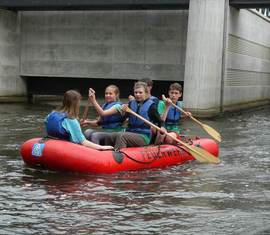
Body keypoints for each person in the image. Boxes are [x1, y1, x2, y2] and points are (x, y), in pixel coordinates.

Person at [45, 90, 113, 150]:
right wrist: (101, 147)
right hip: (64, 148)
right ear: (75, 104)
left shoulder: (52, 114)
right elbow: (83, 142)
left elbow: (49, 124)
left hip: (50, 144)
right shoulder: (71, 120)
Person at [113, 81, 166, 149]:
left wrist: (163, 127)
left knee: (122, 136)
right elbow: (122, 120)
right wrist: (122, 112)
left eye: (140, 92)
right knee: (114, 135)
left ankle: (119, 156)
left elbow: (160, 121)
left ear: (146, 93)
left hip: (143, 136)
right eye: (136, 92)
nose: (137, 94)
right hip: (130, 132)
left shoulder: (151, 106)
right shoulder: (131, 104)